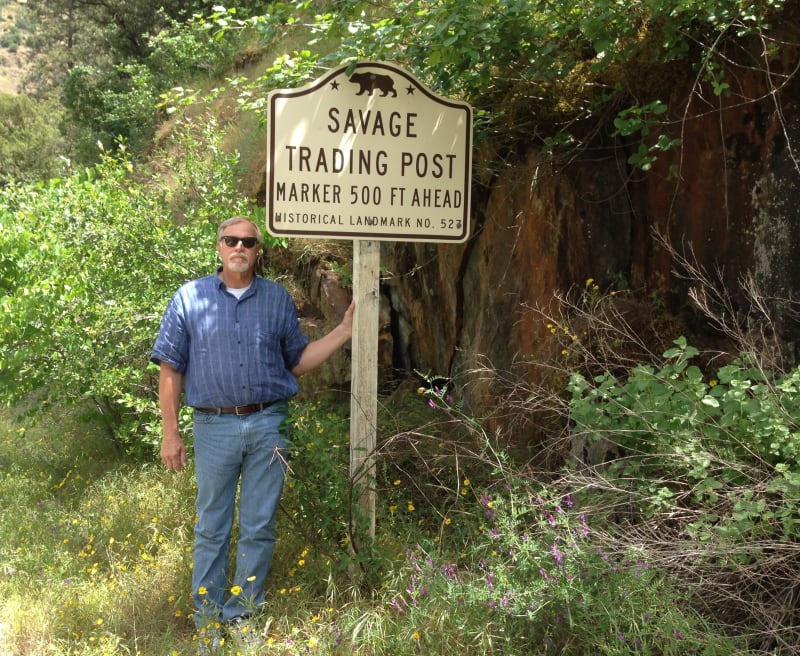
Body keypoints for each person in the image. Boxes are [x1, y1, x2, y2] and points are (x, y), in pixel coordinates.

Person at [151, 216, 354, 642]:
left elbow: (297, 360)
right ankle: (208, 621)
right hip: (213, 426)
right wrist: (171, 433)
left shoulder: (276, 299)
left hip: (267, 423)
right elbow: (170, 367)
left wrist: (344, 331)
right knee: (212, 526)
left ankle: (242, 616)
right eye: (231, 240)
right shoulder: (189, 298)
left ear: (258, 250)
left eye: (248, 241)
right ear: (219, 247)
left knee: (259, 524)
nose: (239, 246)